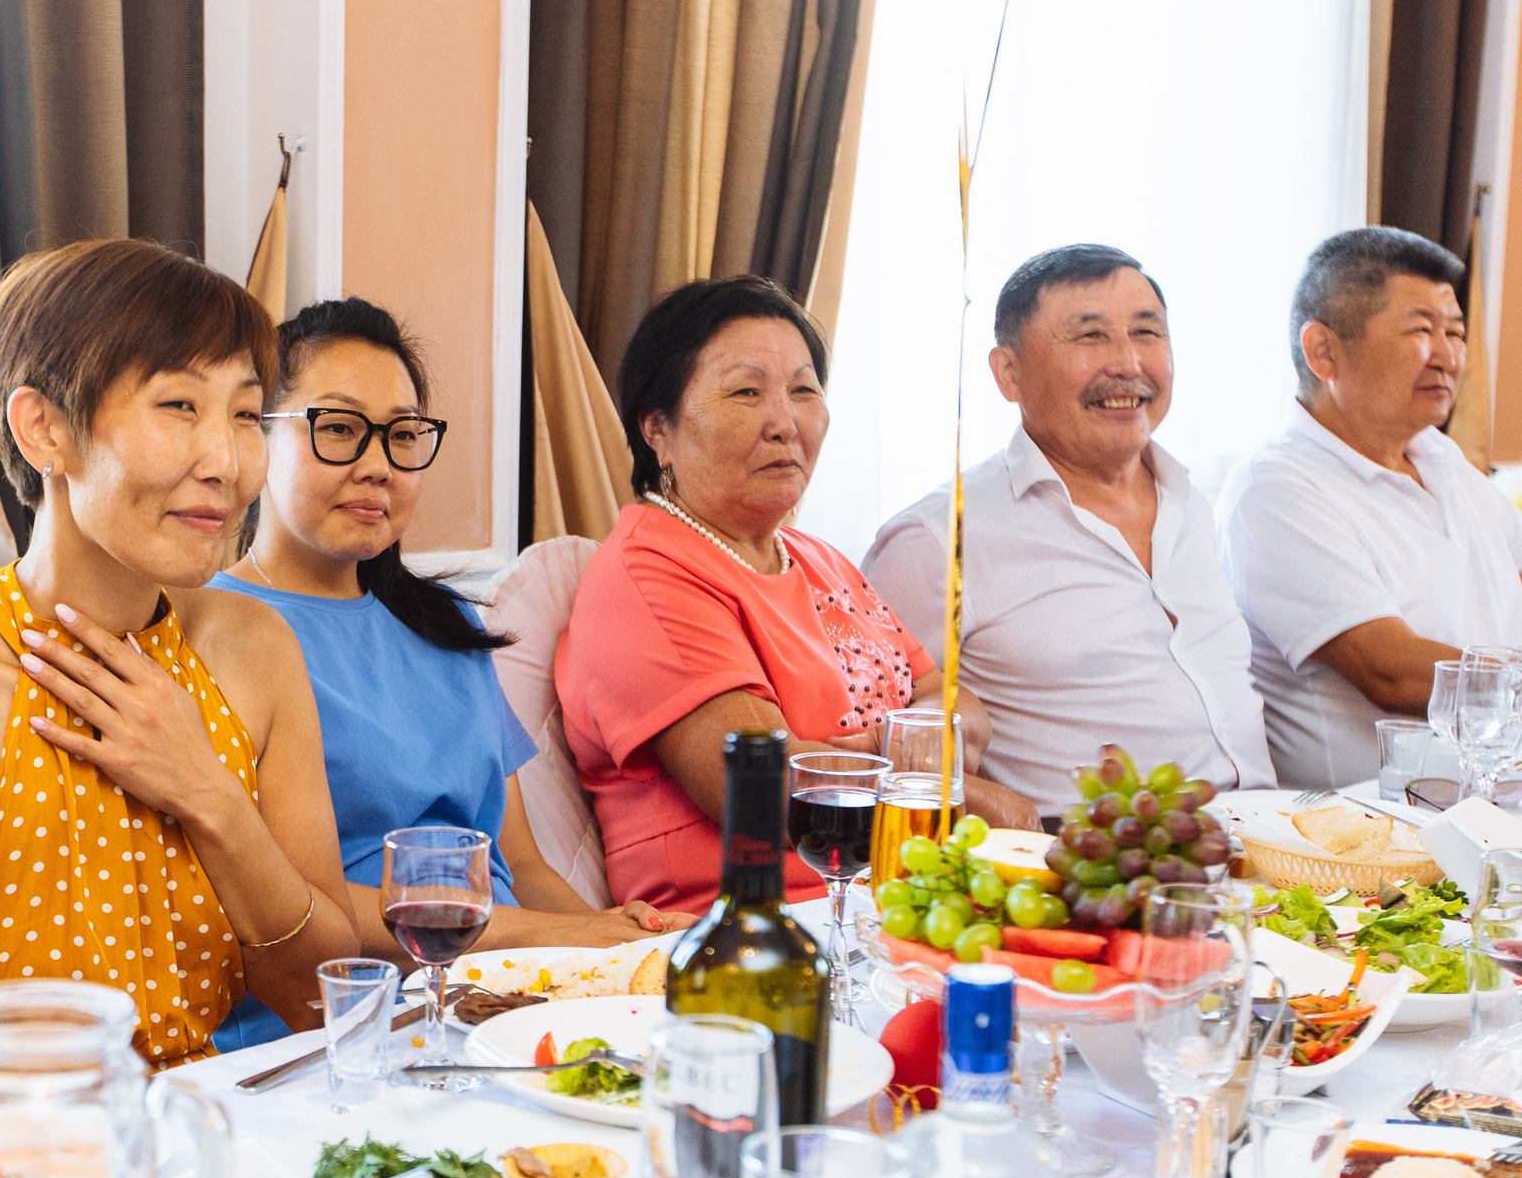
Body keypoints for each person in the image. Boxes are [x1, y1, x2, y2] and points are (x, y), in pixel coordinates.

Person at [0, 239, 361, 1086]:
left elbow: (324, 1001)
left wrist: (206, 791)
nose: (225, 461)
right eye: (179, 405)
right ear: (46, 430)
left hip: (209, 1155)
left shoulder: (255, 651)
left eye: (246, 415)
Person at [206, 298, 686, 1049]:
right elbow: (297, 907)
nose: (376, 465)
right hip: (341, 1021)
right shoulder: (216, 630)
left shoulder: (450, 627)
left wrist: (613, 944)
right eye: (336, 429)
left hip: (500, 999)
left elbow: (519, 860)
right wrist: (563, 937)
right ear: (258, 435)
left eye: (402, 436)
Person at [556, 275, 1033, 918]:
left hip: (908, 900)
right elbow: (766, 787)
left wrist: (877, 755)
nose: (785, 423)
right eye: (745, 391)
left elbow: (960, 710)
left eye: (804, 390)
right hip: (762, 930)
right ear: (657, 430)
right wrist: (956, 790)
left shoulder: (819, 558)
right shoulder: (649, 574)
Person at [864, 245, 1273, 817]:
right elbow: (877, 745)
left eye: (1146, 332)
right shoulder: (936, 539)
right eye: (1091, 336)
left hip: (1271, 845)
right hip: (1085, 873)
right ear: (1009, 373)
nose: (1128, 362)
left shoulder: (1191, 502)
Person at [1219, 226, 1522, 787]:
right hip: (1366, 836)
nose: (1449, 356)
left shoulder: (1451, 468)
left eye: (1455, 332)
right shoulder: (1276, 489)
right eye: (1421, 330)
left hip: (1495, 816)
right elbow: (1392, 672)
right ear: (1323, 351)